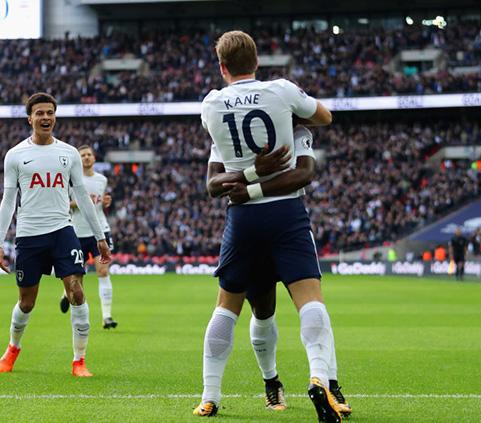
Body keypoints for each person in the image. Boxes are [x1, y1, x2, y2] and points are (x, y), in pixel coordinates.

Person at [193, 30, 347, 422]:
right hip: (286, 214)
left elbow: (217, 180)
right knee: (310, 301)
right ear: (257, 61)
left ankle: (210, 396)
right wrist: (295, 113)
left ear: (222, 67)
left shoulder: (212, 105)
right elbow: (325, 117)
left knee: (226, 307)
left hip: (243, 218)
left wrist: (245, 177)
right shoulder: (281, 91)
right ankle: (319, 378)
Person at [0, 92, 111, 377]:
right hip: (29, 235)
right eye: (40, 113)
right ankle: (12, 348)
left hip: (62, 231)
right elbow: (9, 200)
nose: (45, 117)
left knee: (77, 291)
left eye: (50, 112)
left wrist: (100, 237)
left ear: (55, 116)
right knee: (27, 302)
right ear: (29, 118)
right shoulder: (16, 155)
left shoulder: (68, 153)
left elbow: (82, 197)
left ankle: (79, 361)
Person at [59, 145, 118, 330]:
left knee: (103, 271)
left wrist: (106, 203)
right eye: (82, 155)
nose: (86, 158)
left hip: (99, 231)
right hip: (77, 233)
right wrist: (77, 203)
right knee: (77, 278)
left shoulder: (102, 180)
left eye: (89, 155)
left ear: (94, 158)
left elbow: (100, 205)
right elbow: (63, 204)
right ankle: (67, 294)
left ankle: (107, 317)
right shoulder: (71, 179)